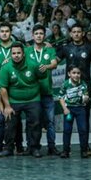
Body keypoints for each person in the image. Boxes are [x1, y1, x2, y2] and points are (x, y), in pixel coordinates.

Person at [0, 42, 47, 158]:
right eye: (13, 53)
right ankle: (9, 148)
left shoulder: (33, 64)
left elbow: (42, 77)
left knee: (35, 124)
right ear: (10, 55)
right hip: (14, 100)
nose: (16, 55)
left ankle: (34, 148)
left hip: (33, 99)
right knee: (10, 124)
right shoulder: (6, 67)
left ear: (23, 54)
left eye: (19, 53)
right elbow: (3, 88)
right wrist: (7, 106)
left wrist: (43, 70)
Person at [55, 24, 91, 156]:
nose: (77, 34)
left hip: (85, 87)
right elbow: (55, 61)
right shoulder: (66, 48)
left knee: (85, 117)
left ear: (83, 33)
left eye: (79, 31)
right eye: (74, 32)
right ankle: (66, 149)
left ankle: (85, 147)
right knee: (68, 120)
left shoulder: (89, 48)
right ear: (71, 34)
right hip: (70, 89)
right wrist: (47, 48)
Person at [26, 24, 59, 155]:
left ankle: (52, 147)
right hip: (33, 93)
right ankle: (32, 146)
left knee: (50, 122)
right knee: (33, 122)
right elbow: (15, 52)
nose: (39, 36)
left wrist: (47, 66)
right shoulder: (27, 51)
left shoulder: (49, 50)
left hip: (47, 92)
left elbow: (55, 63)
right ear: (32, 36)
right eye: (36, 34)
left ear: (44, 36)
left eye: (41, 34)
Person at [58, 66, 90, 159]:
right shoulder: (65, 84)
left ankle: (84, 151)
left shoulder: (83, 84)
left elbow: (86, 98)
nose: (76, 75)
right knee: (67, 130)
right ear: (69, 74)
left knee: (83, 130)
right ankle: (65, 151)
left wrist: (85, 99)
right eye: (74, 73)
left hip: (80, 109)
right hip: (69, 109)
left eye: (78, 73)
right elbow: (60, 97)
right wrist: (65, 109)